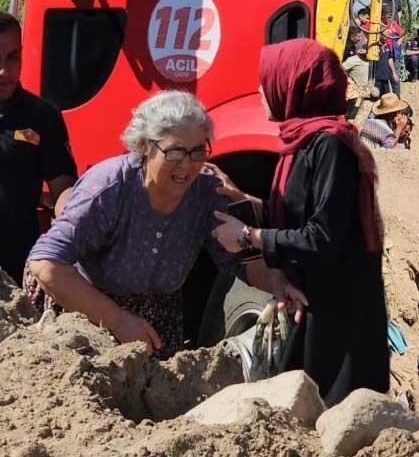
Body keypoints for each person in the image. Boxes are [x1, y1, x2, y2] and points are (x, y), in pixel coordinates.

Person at [25, 91, 299, 360]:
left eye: (197, 151)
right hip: (85, 309)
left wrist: (280, 285)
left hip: (156, 319)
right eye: (176, 151)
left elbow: (243, 261)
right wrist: (118, 321)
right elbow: (46, 264)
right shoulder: (110, 188)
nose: (187, 166)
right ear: (145, 146)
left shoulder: (207, 193)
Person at [212, 39, 390, 403]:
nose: (262, 91)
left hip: (338, 319)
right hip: (314, 302)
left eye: (269, 80)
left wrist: (248, 235)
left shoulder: (329, 147)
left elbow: (322, 236)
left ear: (295, 85)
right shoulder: (304, 143)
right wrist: (251, 203)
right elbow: (302, 214)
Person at [0, 12, 77, 286]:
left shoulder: (43, 117)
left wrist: (77, 218)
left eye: (12, 57)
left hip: (14, 271)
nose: (4, 72)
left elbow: (63, 189)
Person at [342, 26, 370, 92]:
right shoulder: (347, 46)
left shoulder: (352, 45)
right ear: (352, 37)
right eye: (358, 37)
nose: (360, 39)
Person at [372, 32, 400, 96]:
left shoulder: (387, 45)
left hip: (385, 77)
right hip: (376, 77)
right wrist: (381, 50)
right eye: (386, 35)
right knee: (375, 96)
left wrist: (394, 73)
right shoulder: (374, 45)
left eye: (388, 35)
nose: (387, 37)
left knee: (386, 96)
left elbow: (390, 59)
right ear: (380, 35)